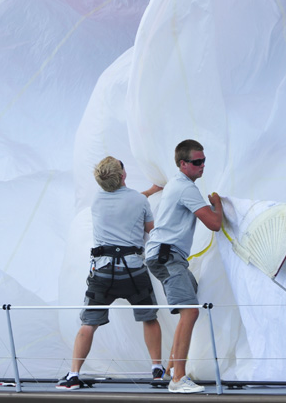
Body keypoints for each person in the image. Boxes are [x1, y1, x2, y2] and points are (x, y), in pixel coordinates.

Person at [57, 157, 164, 390]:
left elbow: (123, 200)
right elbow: (148, 227)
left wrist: (147, 193)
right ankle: (157, 368)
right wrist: (154, 192)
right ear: (123, 175)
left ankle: (73, 374)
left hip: (103, 273)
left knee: (88, 324)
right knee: (149, 318)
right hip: (133, 271)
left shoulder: (96, 201)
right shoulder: (138, 201)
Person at [144, 140, 223, 394]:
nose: (202, 166)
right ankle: (178, 378)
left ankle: (170, 368)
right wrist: (218, 204)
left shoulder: (177, 184)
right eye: (197, 162)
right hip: (167, 257)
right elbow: (214, 223)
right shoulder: (186, 188)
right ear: (183, 164)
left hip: (166, 256)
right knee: (190, 312)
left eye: (204, 161)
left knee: (193, 301)